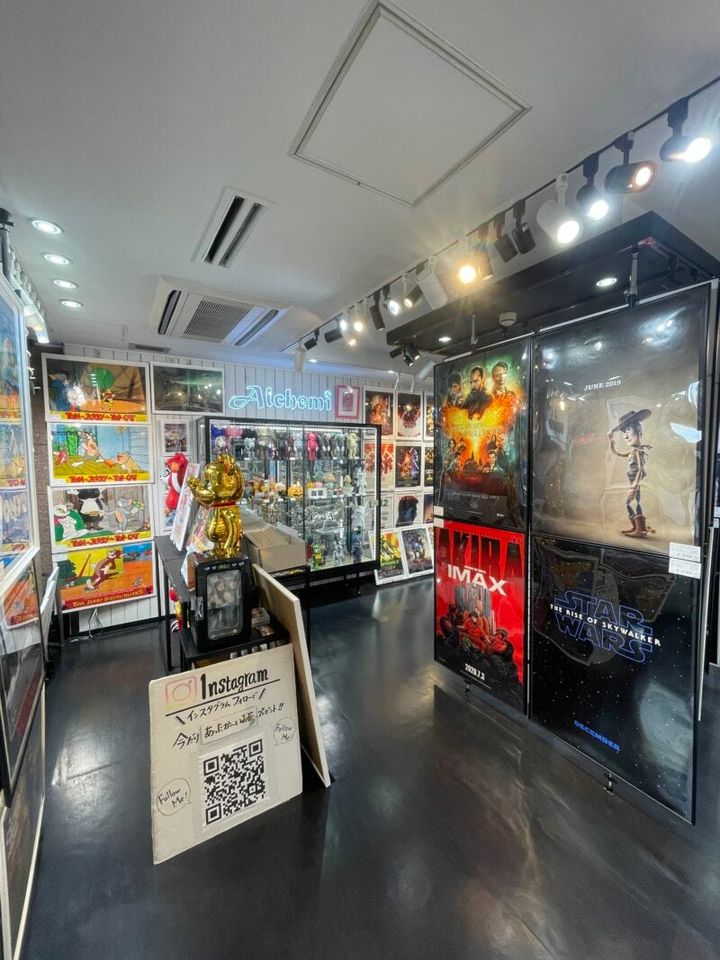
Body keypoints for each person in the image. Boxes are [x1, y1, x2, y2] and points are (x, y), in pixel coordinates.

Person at [607, 409, 655, 537]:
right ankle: (637, 528)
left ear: (638, 430)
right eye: (624, 432)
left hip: (635, 484)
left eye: (628, 430)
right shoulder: (634, 451)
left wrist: (633, 488)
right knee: (635, 502)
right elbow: (620, 454)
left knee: (630, 503)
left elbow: (641, 470)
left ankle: (640, 529)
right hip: (633, 482)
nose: (625, 436)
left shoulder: (639, 451)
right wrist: (611, 443)